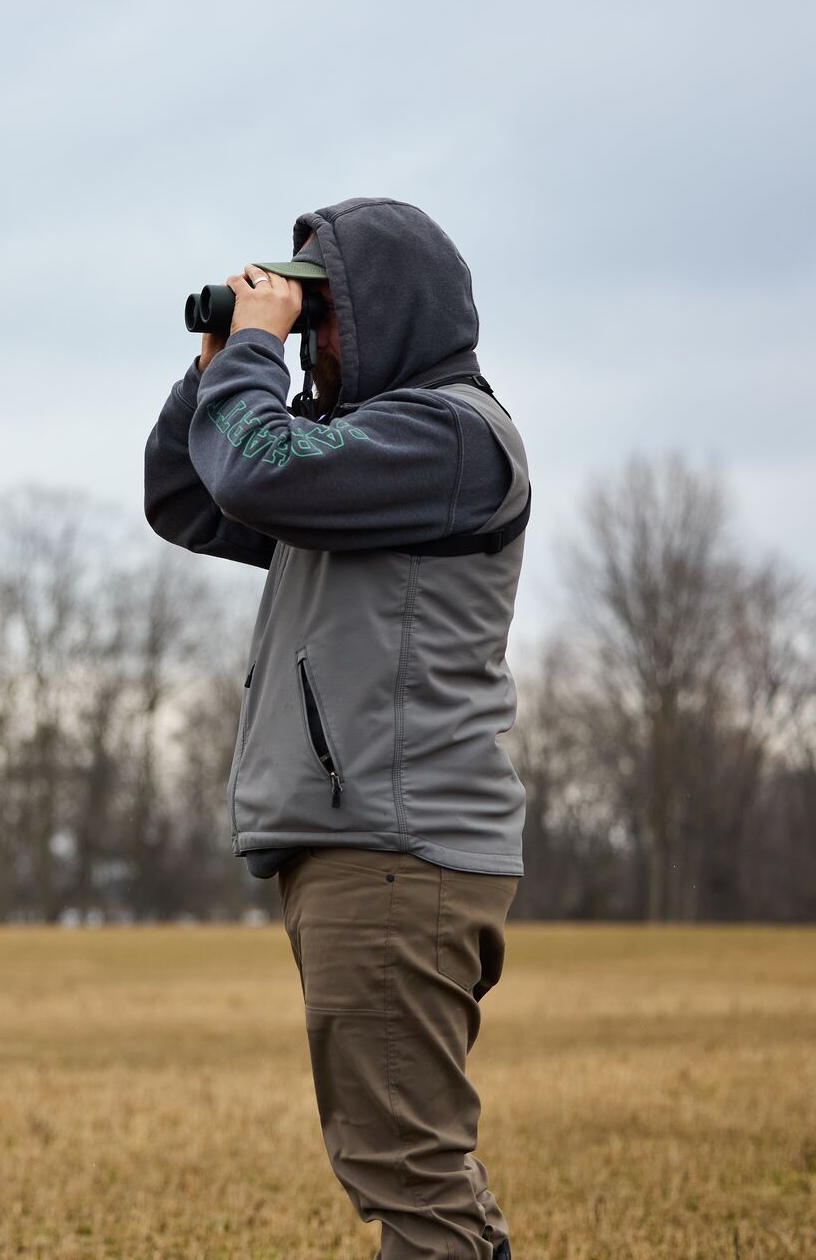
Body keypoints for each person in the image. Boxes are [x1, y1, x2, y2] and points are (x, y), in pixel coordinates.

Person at [142, 197, 530, 1260]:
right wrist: (224, 359)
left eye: (323, 309)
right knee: (407, 1164)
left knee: (406, 1169)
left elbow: (256, 466)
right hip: (371, 846)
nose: (310, 336)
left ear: (389, 310)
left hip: (399, 852)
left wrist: (259, 355)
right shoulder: (368, 461)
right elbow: (186, 494)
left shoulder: (448, 439)